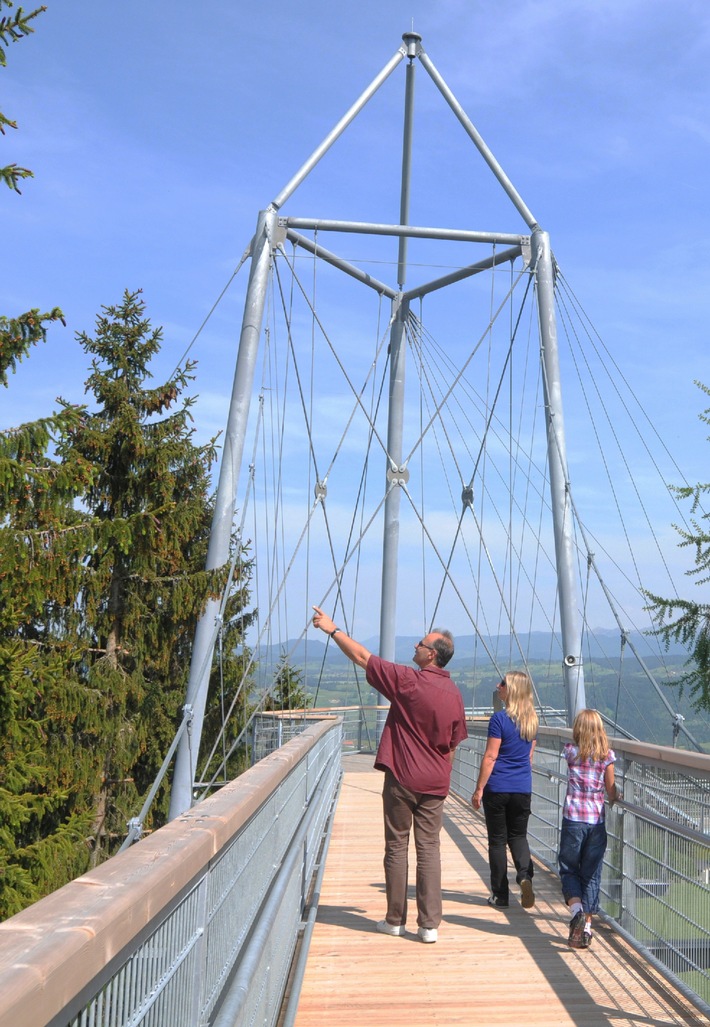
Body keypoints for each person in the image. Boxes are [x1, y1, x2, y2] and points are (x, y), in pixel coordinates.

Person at [311, 605, 468, 944]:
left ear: (432, 656)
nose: (415, 646)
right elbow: (454, 744)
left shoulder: (408, 681)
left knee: (397, 845)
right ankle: (429, 926)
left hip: (402, 778)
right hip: (435, 783)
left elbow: (364, 658)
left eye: (421, 645)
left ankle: (395, 919)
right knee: (429, 849)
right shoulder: (455, 695)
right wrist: (442, 774)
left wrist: (332, 630)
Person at [471, 671, 538, 910]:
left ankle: (500, 895)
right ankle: (524, 876)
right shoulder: (532, 721)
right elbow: (529, 758)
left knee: (497, 841)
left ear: (510, 690)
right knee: (518, 836)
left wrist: (479, 789)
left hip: (498, 786)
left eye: (502, 684)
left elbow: (491, 756)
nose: (497, 686)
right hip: (522, 788)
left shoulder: (499, 719)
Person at [559, 708, 620, 949]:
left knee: (569, 868)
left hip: (573, 819)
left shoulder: (570, 752)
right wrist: (617, 795)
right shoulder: (607, 756)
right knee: (592, 873)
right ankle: (585, 928)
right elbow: (611, 789)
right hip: (596, 822)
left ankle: (575, 911)